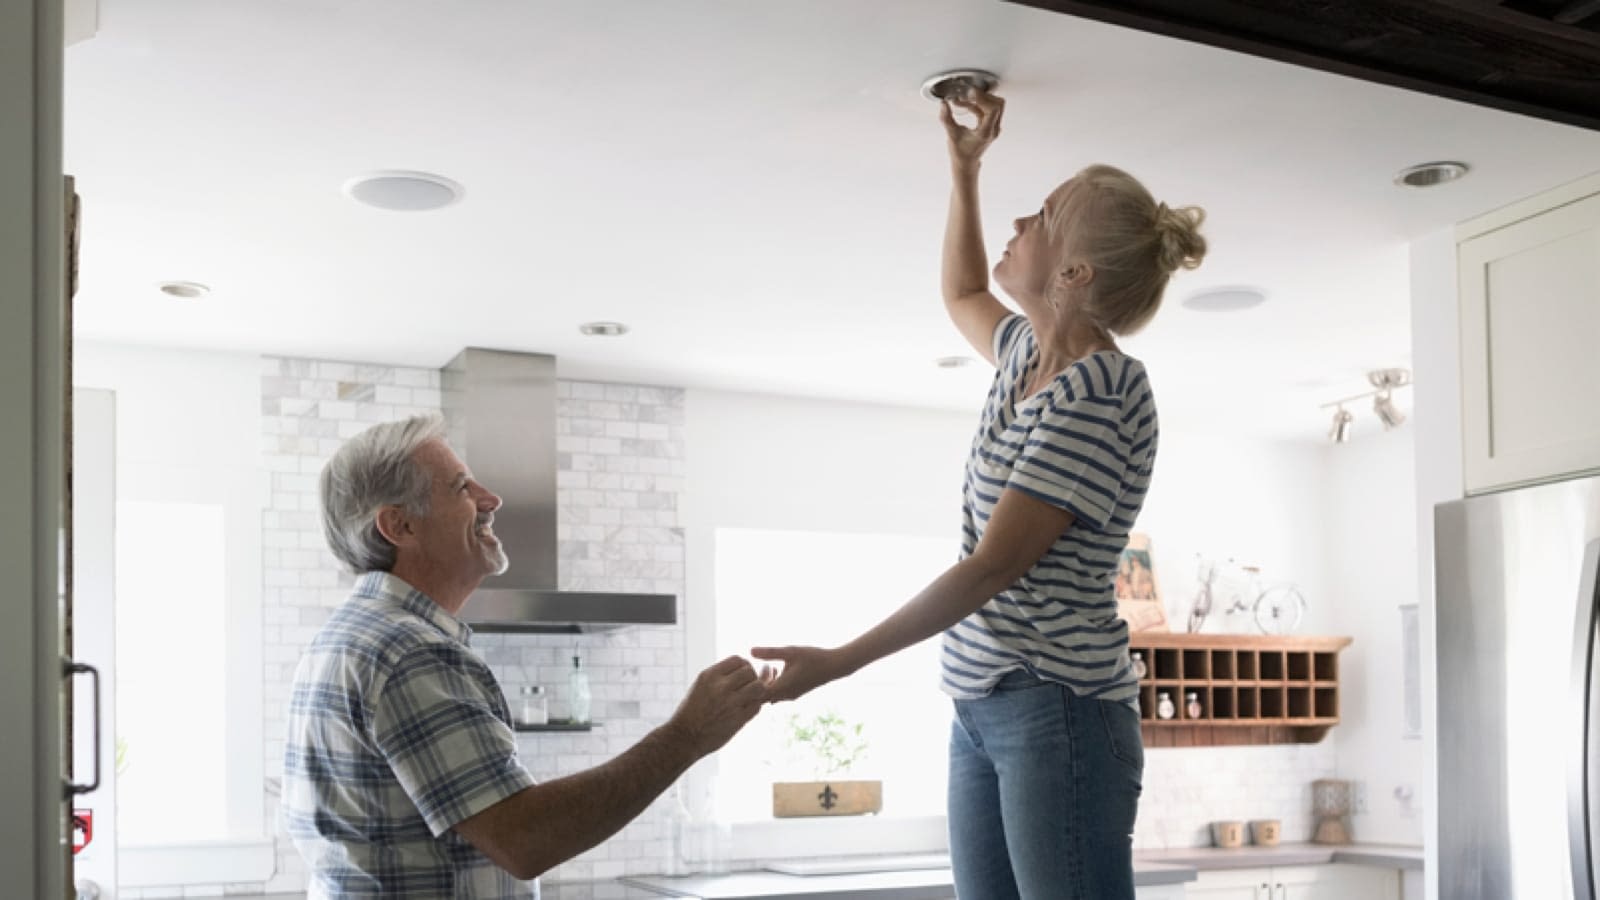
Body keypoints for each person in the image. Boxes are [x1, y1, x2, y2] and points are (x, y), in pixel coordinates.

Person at [753, 89, 1206, 899]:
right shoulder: (1024, 356)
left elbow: (991, 568)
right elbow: (964, 293)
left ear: (1072, 274)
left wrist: (839, 663)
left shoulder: (1101, 390)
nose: (1019, 225)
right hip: (982, 703)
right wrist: (965, 172)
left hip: (1056, 707)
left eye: (1040, 216)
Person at [282, 414, 766, 898]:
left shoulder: (350, 635)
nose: (491, 500)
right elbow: (523, 839)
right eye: (461, 488)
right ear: (400, 525)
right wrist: (687, 736)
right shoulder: (410, 651)